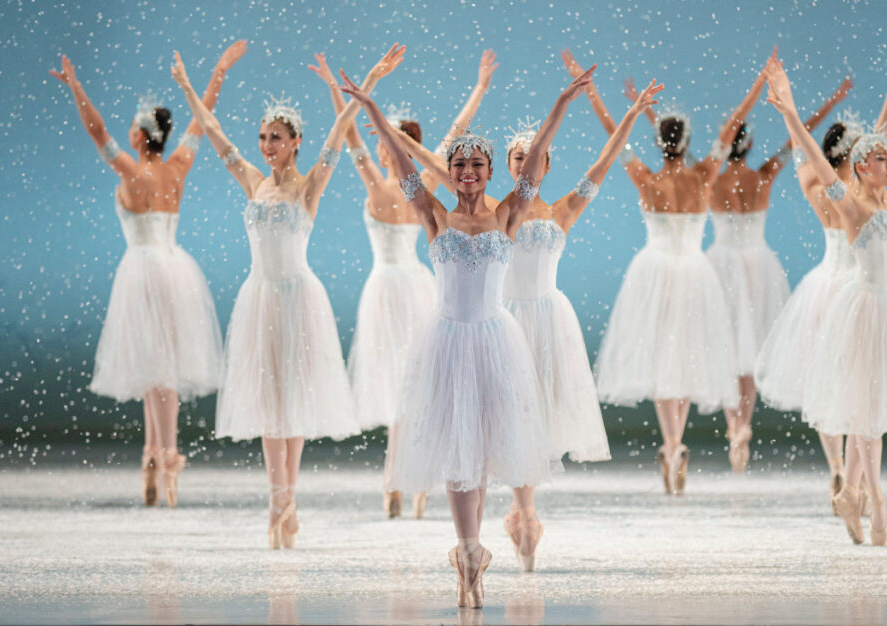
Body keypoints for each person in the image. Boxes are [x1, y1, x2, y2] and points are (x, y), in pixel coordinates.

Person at [339, 63, 596, 607]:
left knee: (485, 450)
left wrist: (561, 105)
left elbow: (534, 169)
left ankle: (476, 548)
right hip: (449, 342)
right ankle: (470, 550)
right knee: (460, 451)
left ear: (488, 171)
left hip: (496, 342)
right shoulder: (433, 216)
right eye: (461, 165)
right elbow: (403, 161)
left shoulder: (510, 214)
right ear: (451, 173)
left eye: (478, 164)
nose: (470, 172)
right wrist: (372, 111)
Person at [171, 44, 405, 548]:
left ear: (296, 142)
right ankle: (276, 497)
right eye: (261, 137)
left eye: (274, 137)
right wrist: (195, 84)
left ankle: (289, 498)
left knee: (292, 396)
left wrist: (370, 79)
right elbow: (214, 135)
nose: (264, 145)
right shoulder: (255, 184)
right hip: (260, 298)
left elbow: (341, 132)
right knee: (265, 396)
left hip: (298, 298)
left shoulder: (309, 186)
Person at [50, 41, 247, 507]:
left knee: (152, 364)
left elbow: (98, 134)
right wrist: (217, 71)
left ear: (140, 136)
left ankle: (160, 453)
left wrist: (77, 88)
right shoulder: (179, 166)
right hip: (176, 268)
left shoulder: (129, 172)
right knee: (162, 369)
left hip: (141, 270)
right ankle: (161, 452)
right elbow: (204, 120)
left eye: (131, 131)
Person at [561, 48, 766, 495]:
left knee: (661, 360)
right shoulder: (703, 176)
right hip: (693, 273)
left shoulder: (646, 178)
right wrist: (758, 85)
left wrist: (591, 89)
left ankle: (671, 443)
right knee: (688, 358)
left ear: (660, 144)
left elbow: (614, 135)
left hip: (654, 273)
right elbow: (731, 127)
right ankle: (678, 441)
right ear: (687, 143)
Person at [308, 50, 499, 520]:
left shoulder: (381, 184)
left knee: (409, 385)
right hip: (411, 286)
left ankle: (401, 476)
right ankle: (408, 478)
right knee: (415, 386)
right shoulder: (423, 187)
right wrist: (479, 88)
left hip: (400, 288)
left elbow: (349, 133)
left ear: (391, 144)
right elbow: (455, 137)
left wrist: (343, 90)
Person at [765, 57, 887, 545]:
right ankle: (876, 501)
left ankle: (854, 494)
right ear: (863, 166)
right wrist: (789, 109)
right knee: (863, 410)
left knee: (875, 411)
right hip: (862, 307)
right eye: (880, 160)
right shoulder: (850, 202)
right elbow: (815, 158)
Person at [703, 77, 853, 472]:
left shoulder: (712, 180)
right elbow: (799, 141)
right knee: (750, 350)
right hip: (758, 264)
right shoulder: (764, 174)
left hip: (720, 264)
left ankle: (734, 425)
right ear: (749, 145)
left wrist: (649, 113)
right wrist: (829, 102)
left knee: (726, 345)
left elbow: (672, 147)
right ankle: (745, 422)